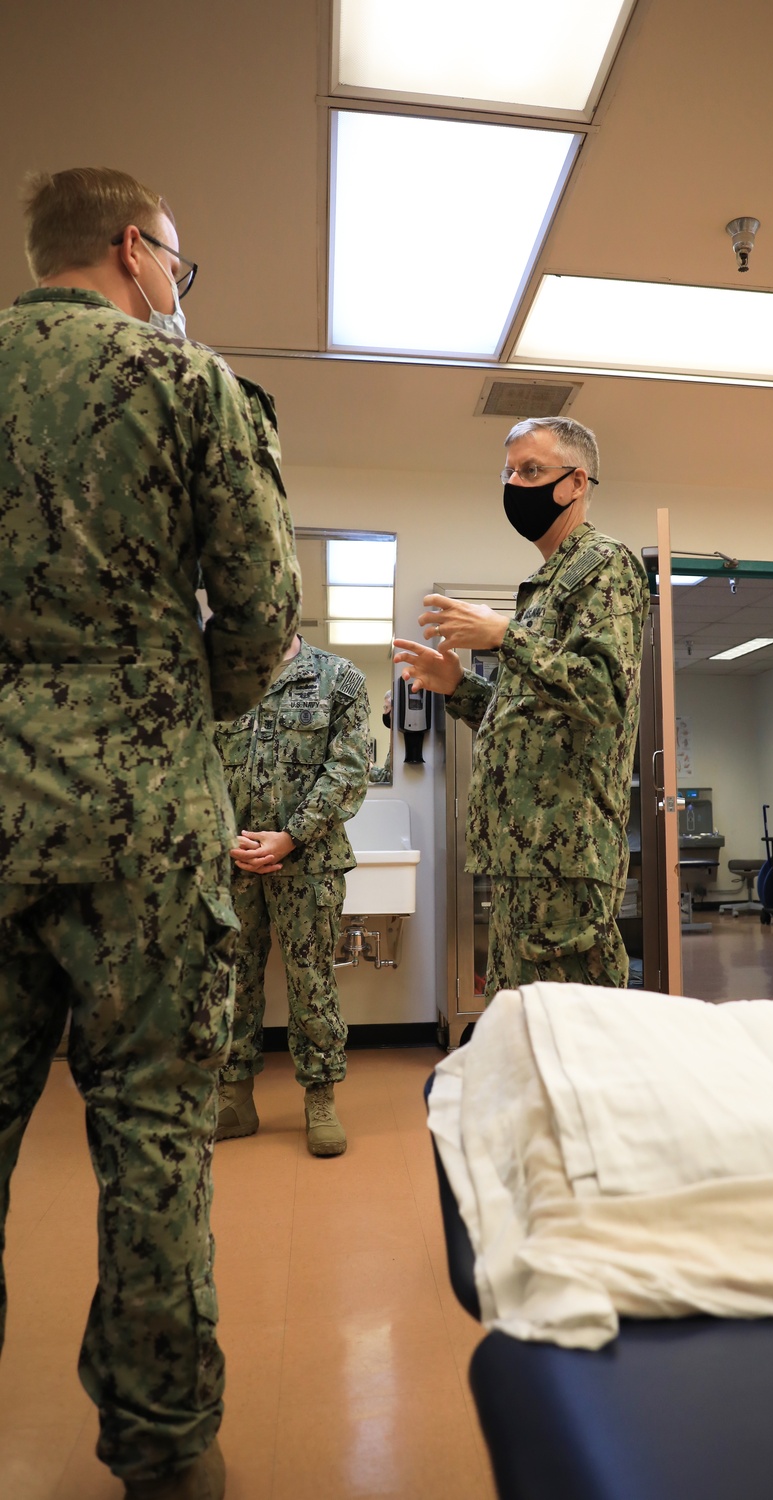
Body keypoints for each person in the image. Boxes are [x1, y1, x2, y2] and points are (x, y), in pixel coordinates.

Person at [0, 167, 300, 1500]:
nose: (181, 287)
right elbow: (258, 616)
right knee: (155, 1145)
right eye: (180, 264)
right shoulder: (195, 390)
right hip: (145, 826)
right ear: (137, 250)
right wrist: (174, 715)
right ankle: (165, 1452)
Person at [394, 416, 649, 1001]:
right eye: (508, 472)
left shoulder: (603, 567)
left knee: (573, 1032)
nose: (515, 484)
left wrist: (502, 636)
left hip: (566, 856)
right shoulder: (543, 585)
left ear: (576, 482)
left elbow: (604, 697)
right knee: (525, 1027)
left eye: (531, 470)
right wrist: (456, 685)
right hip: (524, 853)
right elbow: (532, 724)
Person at [213, 633, 370, 1156]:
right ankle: (234, 1097)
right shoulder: (221, 682)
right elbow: (197, 768)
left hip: (309, 861)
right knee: (231, 979)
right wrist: (222, 834)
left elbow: (348, 771)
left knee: (312, 981)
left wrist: (291, 835)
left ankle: (320, 1099)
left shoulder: (339, 678)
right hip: (232, 862)